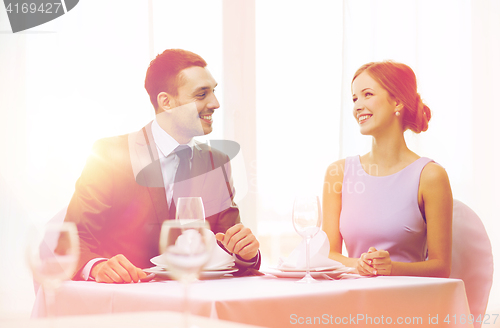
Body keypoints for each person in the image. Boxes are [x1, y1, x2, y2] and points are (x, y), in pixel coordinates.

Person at [64, 49, 260, 283]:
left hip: (195, 307)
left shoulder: (216, 163)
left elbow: (229, 248)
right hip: (124, 303)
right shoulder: (108, 155)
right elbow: (72, 240)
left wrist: (246, 253)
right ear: (166, 102)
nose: (215, 103)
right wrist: (97, 267)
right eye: (201, 94)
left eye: (214, 92)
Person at [322, 61, 452, 277]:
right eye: (355, 98)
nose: (357, 106)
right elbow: (327, 255)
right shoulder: (338, 173)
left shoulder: (430, 176)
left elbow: (441, 267)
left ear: (397, 102)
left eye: (367, 94)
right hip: (353, 300)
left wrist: (392, 268)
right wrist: (359, 264)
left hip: (408, 302)